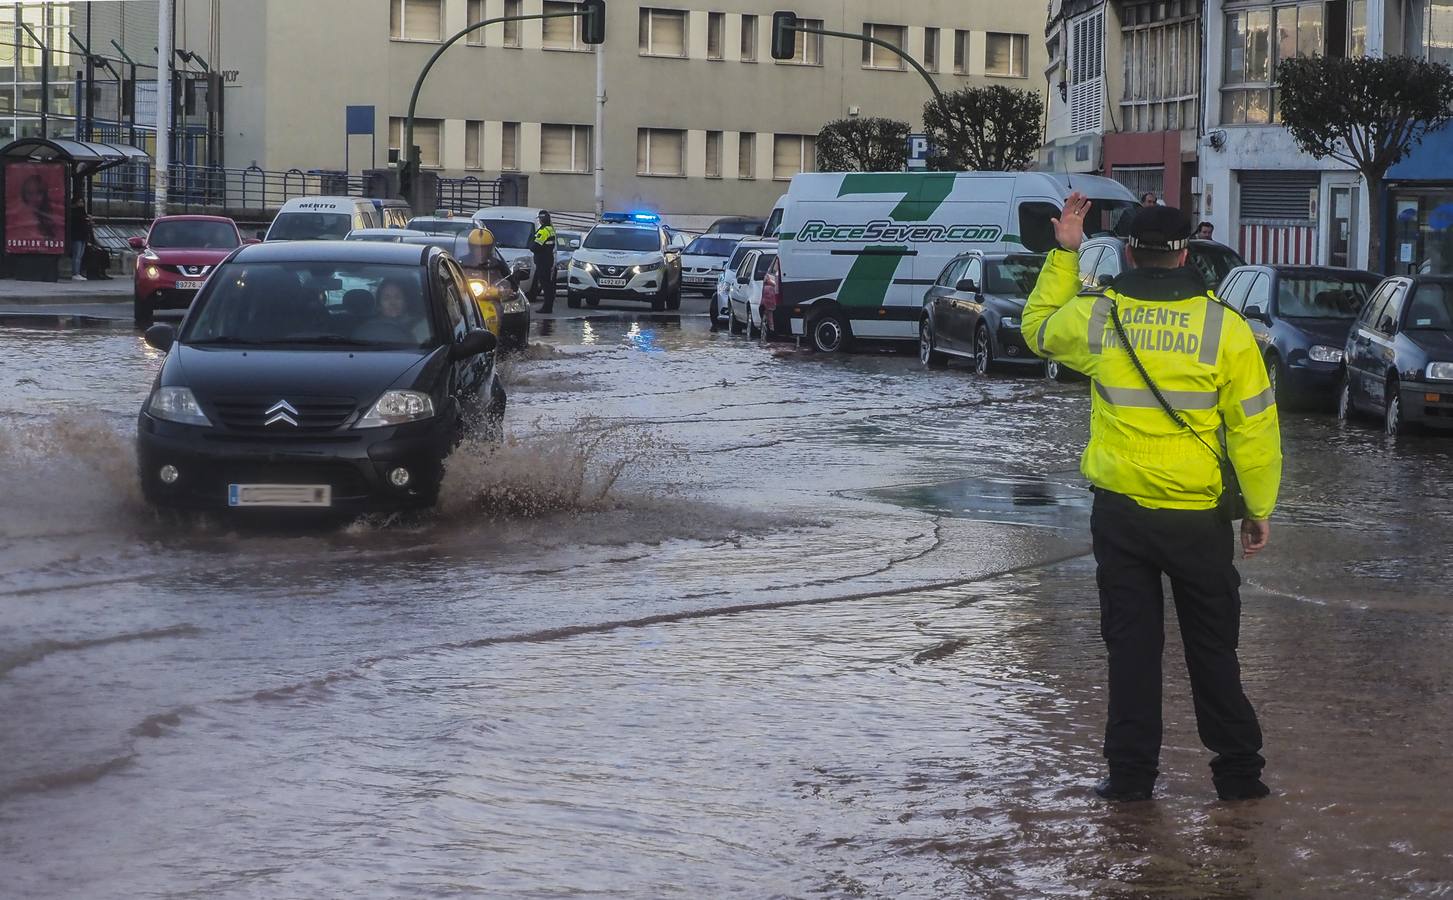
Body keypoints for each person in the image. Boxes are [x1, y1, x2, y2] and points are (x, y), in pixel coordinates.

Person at [1021, 193, 1282, 803]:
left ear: (1130, 252)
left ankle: (1132, 781)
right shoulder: (1225, 327)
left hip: (1121, 516)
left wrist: (1065, 253)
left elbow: (1036, 328)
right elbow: (1256, 428)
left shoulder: (1098, 315)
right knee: (1214, 651)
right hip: (1199, 520)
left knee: (1131, 651)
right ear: (1187, 252)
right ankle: (1240, 782)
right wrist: (1260, 509)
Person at [528, 210, 557, 313]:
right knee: (549, 285)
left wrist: (530, 245)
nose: (539, 221)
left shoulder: (543, 231)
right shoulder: (551, 229)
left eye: (540, 219)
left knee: (545, 284)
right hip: (548, 259)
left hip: (542, 261)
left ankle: (546, 307)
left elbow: (535, 246)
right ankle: (548, 306)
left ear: (541, 219)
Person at [69, 196, 92, 282]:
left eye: (82, 202)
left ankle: (78, 272)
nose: (81, 204)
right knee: (77, 255)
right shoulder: (74, 212)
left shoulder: (83, 212)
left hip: (83, 236)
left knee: (80, 255)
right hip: (77, 236)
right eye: (79, 202)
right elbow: (78, 222)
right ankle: (75, 273)